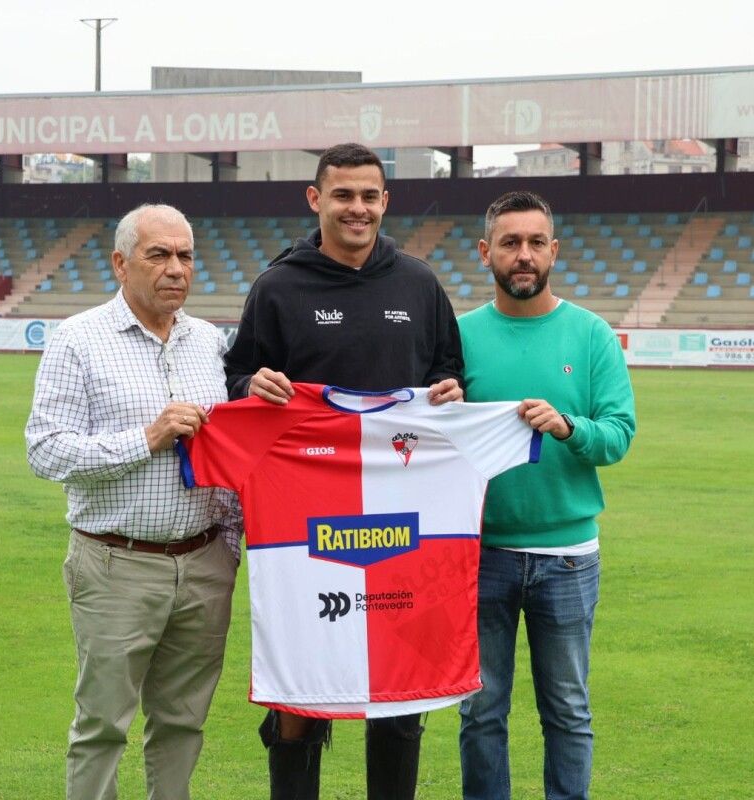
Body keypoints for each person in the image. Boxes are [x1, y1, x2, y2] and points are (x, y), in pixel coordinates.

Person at [224, 142, 464, 800]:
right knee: (299, 698)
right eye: (343, 195)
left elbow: (448, 372)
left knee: (399, 695)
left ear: (385, 201)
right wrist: (253, 383)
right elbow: (235, 377)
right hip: (304, 524)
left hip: (400, 523)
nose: (356, 208)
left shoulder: (418, 284)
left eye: (368, 196)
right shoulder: (278, 286)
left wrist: (448, 388)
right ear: (316, 199)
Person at [26, 203, 241, 800]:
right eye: (159, 255)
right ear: (121, 263)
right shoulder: (79, 339)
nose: (176, 268)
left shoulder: (208, 342)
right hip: (117, 562)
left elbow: (226, 454)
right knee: (101, 725)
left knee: (183, 722)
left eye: (185, 256)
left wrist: (230, 542)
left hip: (203, 563)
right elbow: (45, 450)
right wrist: (146, 438)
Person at [456, 191, 636, 800]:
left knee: (567, 710)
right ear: (486, 253)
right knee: (480, 712)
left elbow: (618, 435)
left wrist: (569, 427)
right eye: (510, 243)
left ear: (554, 250)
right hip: (481, 555)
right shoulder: (460, 337)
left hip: (567, 557)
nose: (523, 255)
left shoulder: (591, 336)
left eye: (535, 243)